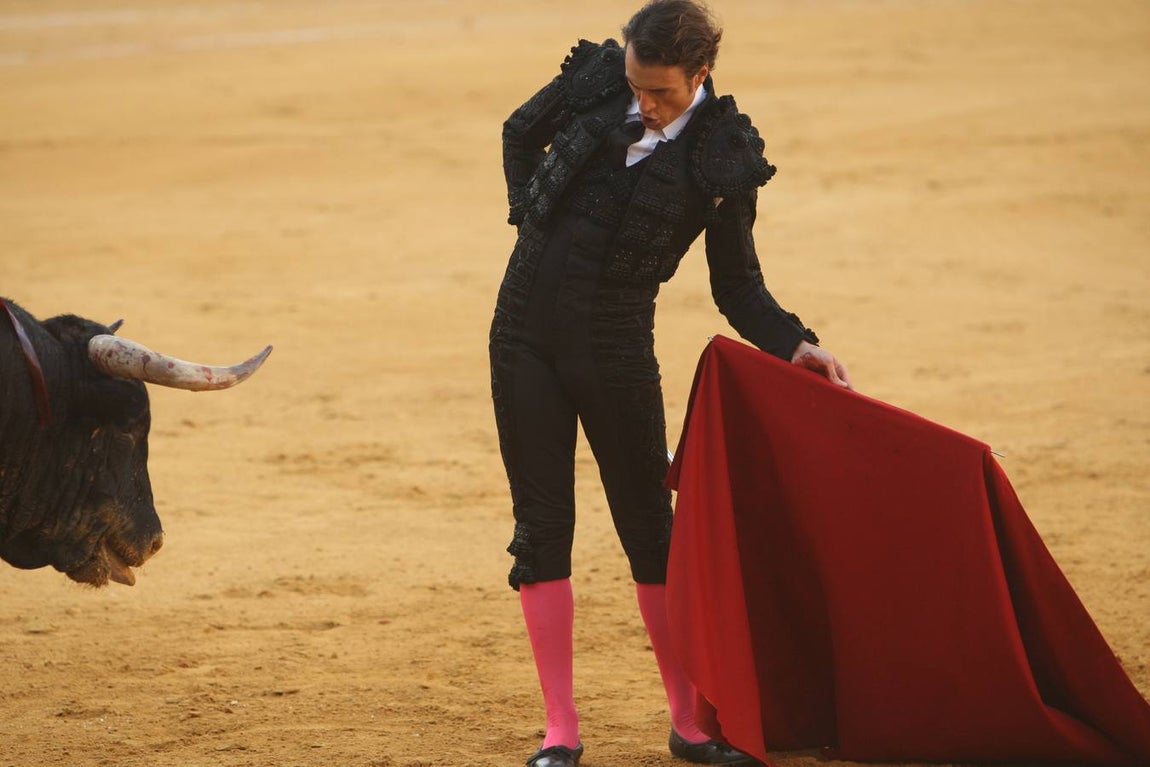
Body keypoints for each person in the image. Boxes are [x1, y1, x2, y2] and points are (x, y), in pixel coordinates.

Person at [489, 2, 852, 765]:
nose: (642, 103)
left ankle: (688, 723)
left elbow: (737, 285)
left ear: (701, 75)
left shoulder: (723, 156)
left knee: (651, 530)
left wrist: (795, 344)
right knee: (542, 527)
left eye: (660, 92)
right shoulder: (598, 76)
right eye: (635, 85)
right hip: (521, 333)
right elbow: (519, 133)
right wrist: (533, 216)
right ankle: (561, 731)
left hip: (615, 348)